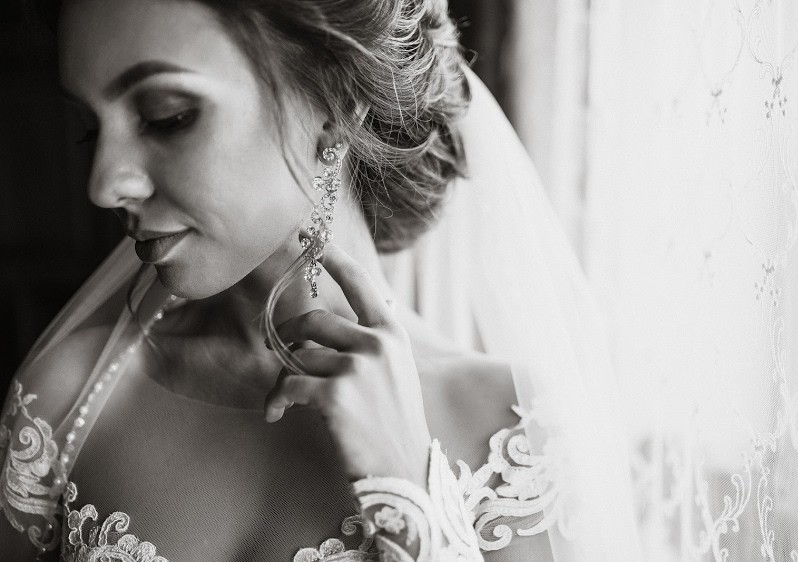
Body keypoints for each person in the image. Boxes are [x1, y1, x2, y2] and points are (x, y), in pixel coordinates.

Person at [0, 0, 642, 560]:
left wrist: (409, 494)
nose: (104, 183)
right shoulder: (65, 402)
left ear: (333, 107)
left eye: (167, 116)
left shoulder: (516, 440)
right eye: (91, 129)